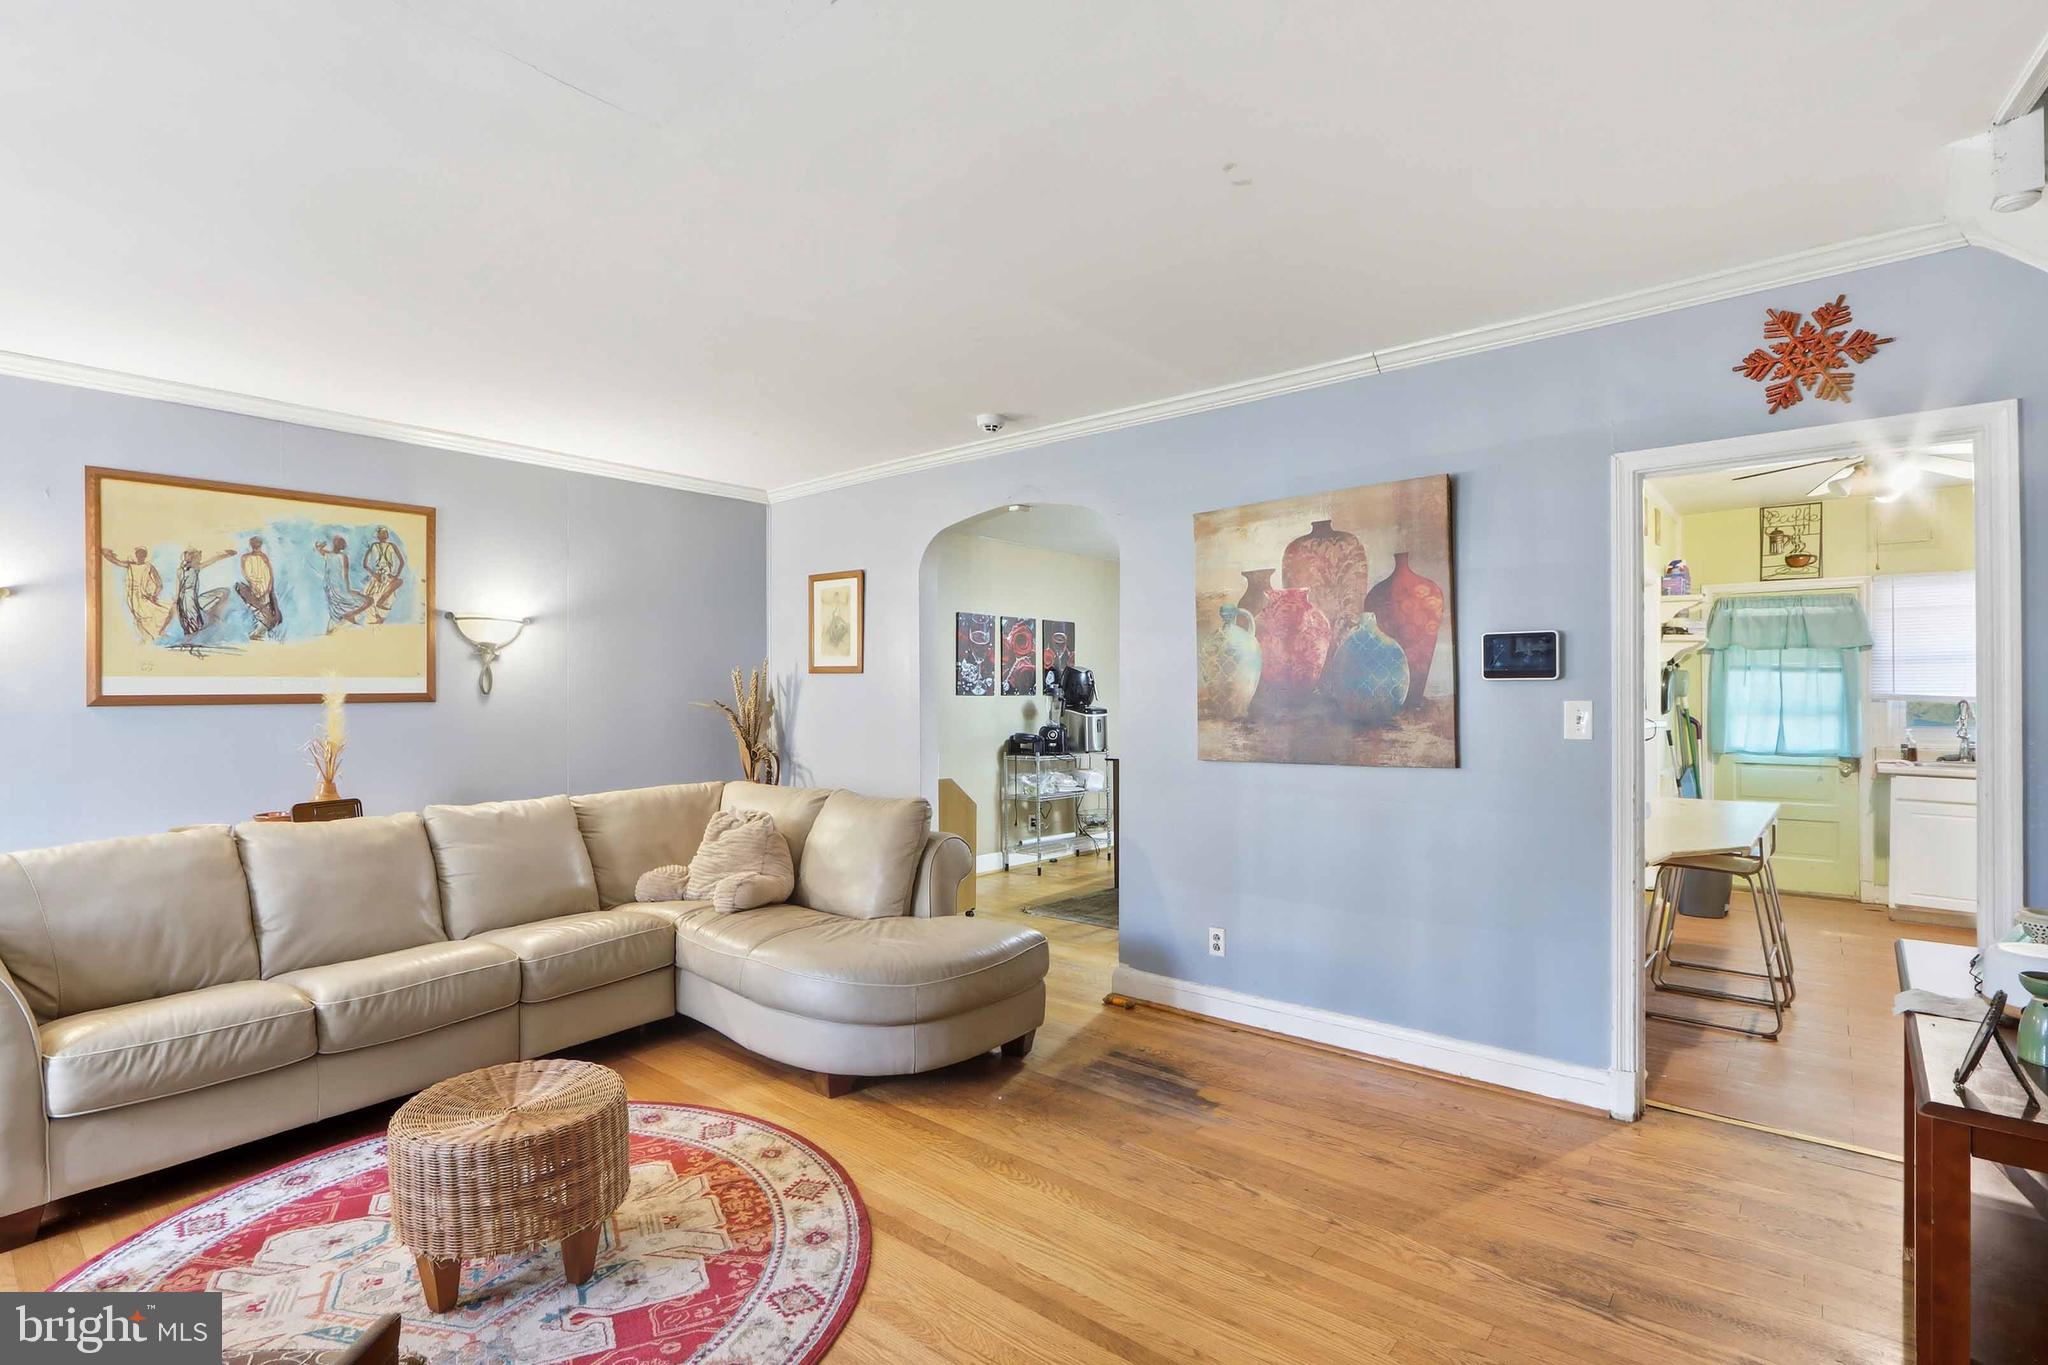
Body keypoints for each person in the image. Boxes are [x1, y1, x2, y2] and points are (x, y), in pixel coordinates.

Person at [98, 546, 173, 641]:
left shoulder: (149, 566)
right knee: (141, 619)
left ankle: (155, 635)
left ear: (145, 555)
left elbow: (159, 584)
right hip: (133, 598)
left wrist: (154, 595)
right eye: (138, 553)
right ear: (136, 554)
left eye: (142, 553)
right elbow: (116, 562)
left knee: (157, 614)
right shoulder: (130, 565)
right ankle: (149, 638)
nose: (140, 555)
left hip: (143, 597)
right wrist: (104, 553)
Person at [173, 546, 235, 637]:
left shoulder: (188, 569)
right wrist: (226, 554)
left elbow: (213, 559)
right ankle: (191, 640)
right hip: (188, 599)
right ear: (193, 558)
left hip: (187, 599)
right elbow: (213, 560)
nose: (200, 559)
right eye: (198, 557)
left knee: (192, 623)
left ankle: (191, 639)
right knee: (193, 623)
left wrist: (226, 554)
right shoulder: (190, 569)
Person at [314, 534, 369, 629]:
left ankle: (347, 615)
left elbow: (318, 548)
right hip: (340, 589)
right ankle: (351, 615)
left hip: (331, 590)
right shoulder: (343, 557)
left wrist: (323, 544)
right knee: (369, 600)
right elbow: (346, 575)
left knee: (361, 598)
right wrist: (349, 589)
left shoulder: (328, 555)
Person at [234, 535, 283, 640]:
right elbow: (247, 573)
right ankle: (259, 631)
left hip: (262, 585)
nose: (257, 546)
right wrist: (260, 584)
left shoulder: (258, 557)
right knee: (260, 608)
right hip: (260, 585)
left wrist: (267, 586)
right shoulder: (254, 557)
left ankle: (260, 632)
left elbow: (267, 573)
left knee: (262, 608)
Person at [360, 526, 405, 625]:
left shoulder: (392, 546)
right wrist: (374, 574)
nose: (384, 535)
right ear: (377, 535)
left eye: (385, 533)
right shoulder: (373, 546)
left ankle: (381, 616)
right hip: (377, 577)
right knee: (367, 597)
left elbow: (402, 562)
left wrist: (396, 576)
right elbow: (364, 564)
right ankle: (378, 617)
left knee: (388, 598)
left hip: (388, 576)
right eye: (382, 533)